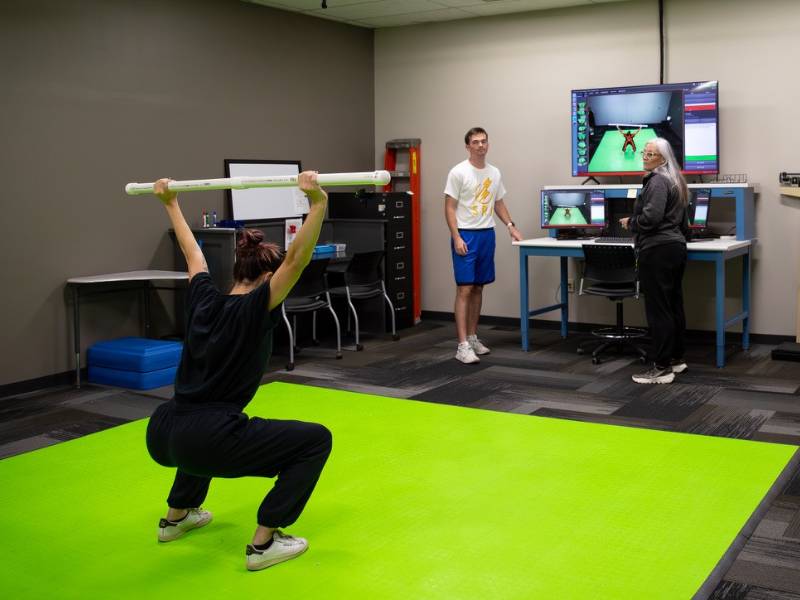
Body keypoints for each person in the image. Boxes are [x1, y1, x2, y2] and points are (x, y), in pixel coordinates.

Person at [145, 172, 333, 571]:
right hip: (207, 438)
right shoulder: (256, 308)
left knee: (204, 424)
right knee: (315, 440)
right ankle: (264, 543)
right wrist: (317, 203)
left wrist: (170, 204)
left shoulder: (203, 299)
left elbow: (193, 254)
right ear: (267, 278)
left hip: (163, 431)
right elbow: (298, 259)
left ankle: (176, 518)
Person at [444, 127, 523, 364]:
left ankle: (472, 337)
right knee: (464, 289)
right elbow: (449, 207)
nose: (480, 145)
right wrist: (456, 237)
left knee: (479, 287)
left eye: (484, 141)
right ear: (468, 146)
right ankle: (461, 346)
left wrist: (510, 225)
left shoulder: (494, 172)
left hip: (487, 234)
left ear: (488, 144)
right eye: (475, 142)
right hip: (466, 234)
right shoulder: (458, 172)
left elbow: (497, 202)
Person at [620, 138, 689, 384]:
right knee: (672, 305)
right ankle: (677, 359)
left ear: (663, 158)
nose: (645, 157)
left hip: (658, 250)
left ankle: (661, 368)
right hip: (675, 248)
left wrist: (631, 223)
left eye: (651, 154)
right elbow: (684, 224)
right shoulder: (676, 180)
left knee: (658, 310)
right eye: (645, 152)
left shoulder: (657, 181)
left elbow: (651, 218)